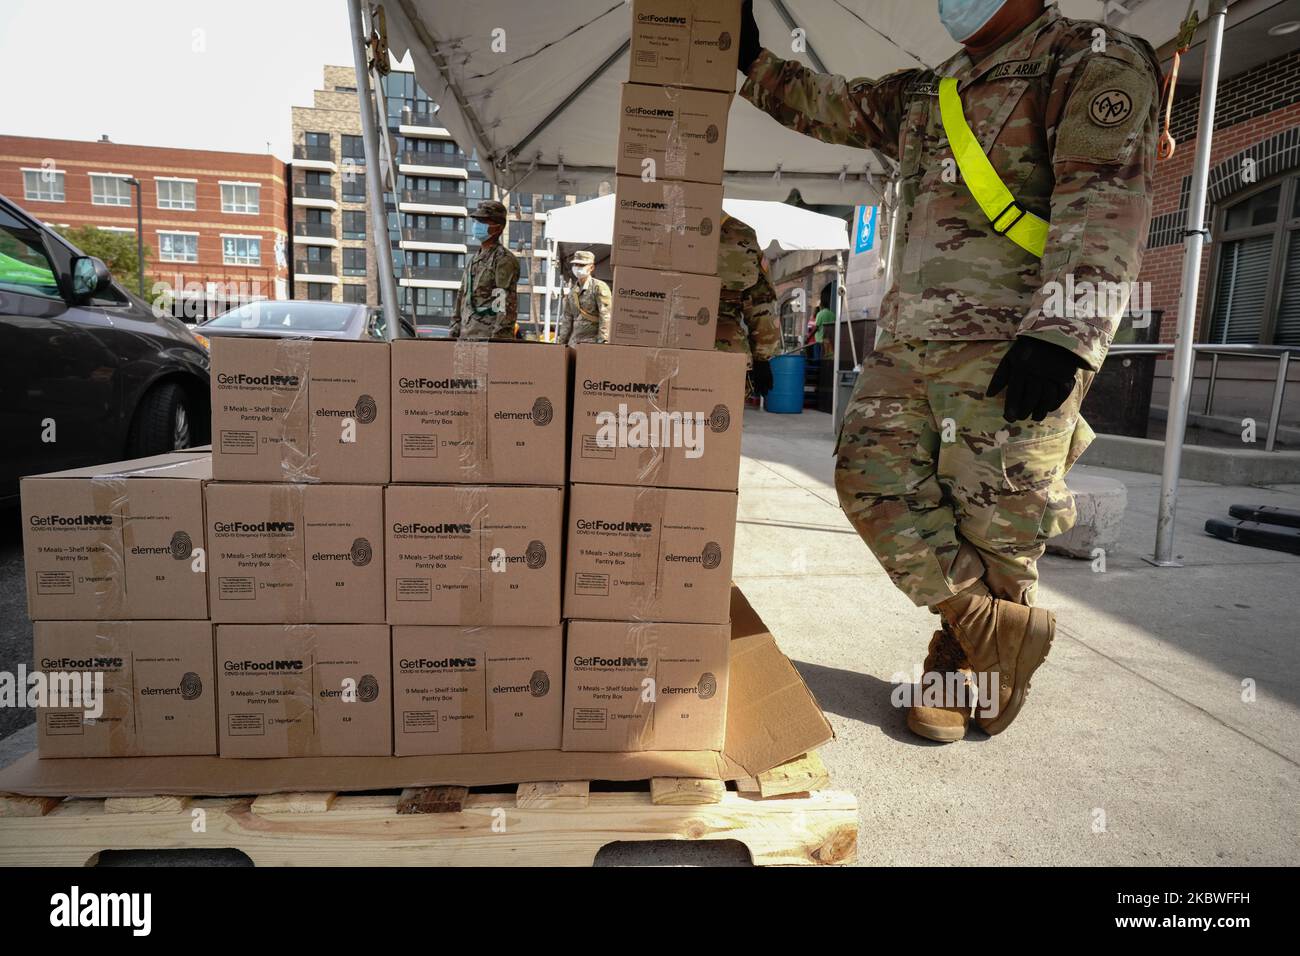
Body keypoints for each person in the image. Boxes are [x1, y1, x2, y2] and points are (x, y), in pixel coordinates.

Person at [736, 0, 1159, 741]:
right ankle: (985, 626)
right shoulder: (933, 89)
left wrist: (1065, 332)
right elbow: (834, 106)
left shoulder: (1089, 57)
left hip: (1016, 342)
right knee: (867, 476)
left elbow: (1106, 200)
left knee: (997, 521)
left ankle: (961, 664)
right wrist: (753, 59)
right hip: (911, 341)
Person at [716, 213, 781, 398]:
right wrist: (762, 359)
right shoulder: (742, 233)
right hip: (726, 352)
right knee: (721, 421)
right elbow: (762, 304)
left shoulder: (661, 223)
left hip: (660, 349)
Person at [449, 199, 518, 340]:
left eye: (483, 221)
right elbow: (462, 295)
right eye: (476, 221)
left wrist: (498, 341)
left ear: (498, 227)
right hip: (466, 337)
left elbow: (505, 304)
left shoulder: (504, 260)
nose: (477, 225)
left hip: (489, 339)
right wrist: (455, 326)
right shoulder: (474, 259)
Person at [556, 249, 612, 345]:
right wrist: (561, 343)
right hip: (574, 342)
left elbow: (606, 315)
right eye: (575, 265)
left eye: (581, 265)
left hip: (592, 342)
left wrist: (603, 341)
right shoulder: (572, 292)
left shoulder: (598, 287)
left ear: (591, 268)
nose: (577, 268)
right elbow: (567, 319)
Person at [812, 284, 836, 362]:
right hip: (828, 340)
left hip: (819, 340)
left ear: (821, 305)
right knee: (826, 358)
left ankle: (818, 372)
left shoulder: (820, 314)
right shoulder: (832, 314)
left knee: (817, 359)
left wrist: (808, 337)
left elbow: (816, 327)